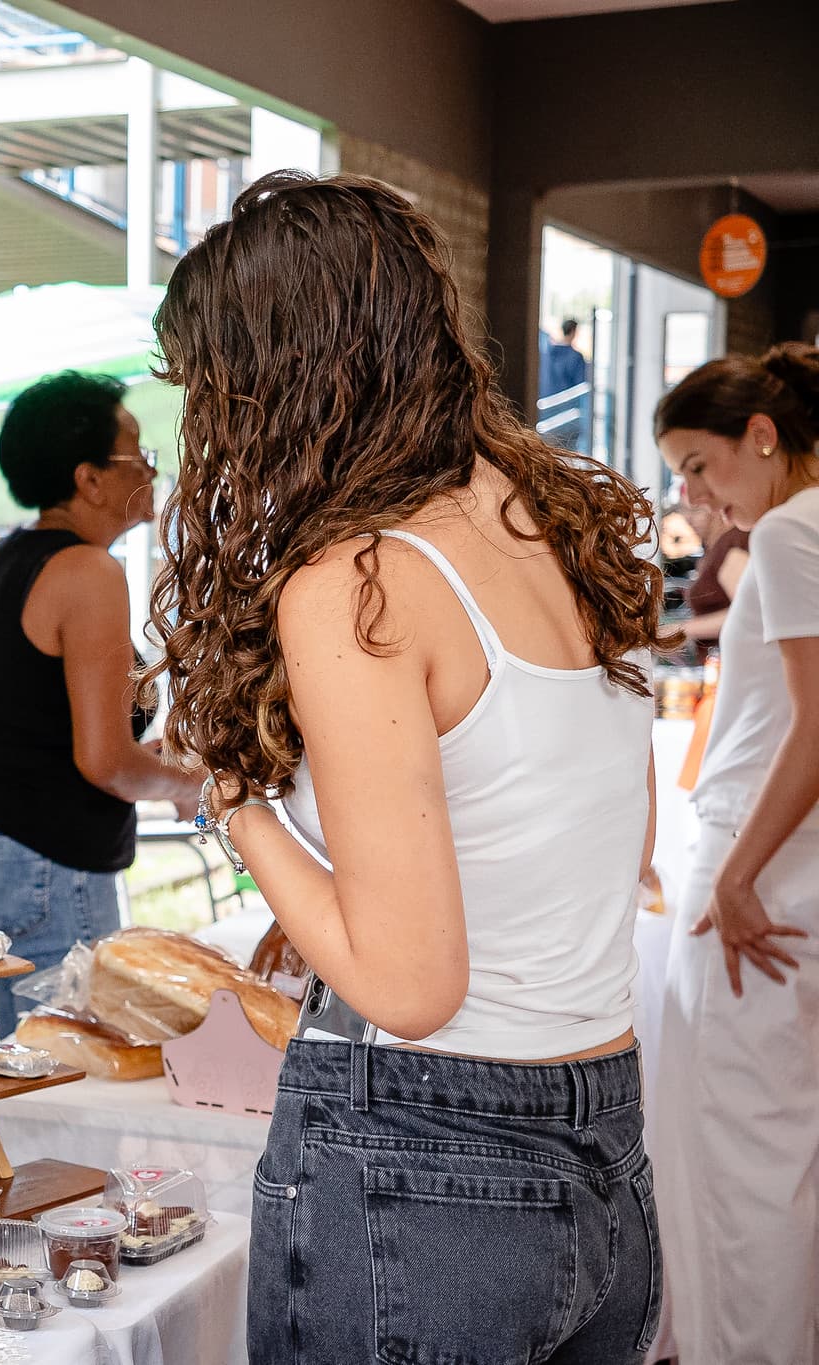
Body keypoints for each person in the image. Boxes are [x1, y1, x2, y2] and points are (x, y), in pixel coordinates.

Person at [145, 172, 668, 1362]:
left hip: (429, 1159)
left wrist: (241, 812)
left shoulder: (357, 580)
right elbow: (602, 848)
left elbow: (411, 983)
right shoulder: (547, 527)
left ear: (278, 381)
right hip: (603, 1143)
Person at [651, 343, 819, 1364]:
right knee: (773, 1152)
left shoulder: (794, 531)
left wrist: (736, 872)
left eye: (696, 463)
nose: (689, 492)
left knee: (735, 1161)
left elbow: (813, 724)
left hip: (763, 864)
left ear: (760, 436)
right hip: (787, 859)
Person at [0, 371, 200, 1039]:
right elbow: (102, 761)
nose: (150, 467)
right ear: (89, 479)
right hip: (44, 861)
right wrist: (187, 787)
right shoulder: (90, 571)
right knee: (70, 1070)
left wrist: (136, 761)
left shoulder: (1, 559)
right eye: (135, 452)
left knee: (30, 1058)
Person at [678, 501, 750, 654]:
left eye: (696, 510)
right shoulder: (715, 549)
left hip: (735, 658)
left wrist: (683, 629)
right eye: (684, 510)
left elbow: (747, 614)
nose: (688, 519)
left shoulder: (732, 545)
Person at [542, 318, 592, 453]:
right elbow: (581, 387)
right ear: (573, 332)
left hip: (544, 413)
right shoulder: (575, 357)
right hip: (567, 415)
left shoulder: (547, 354)